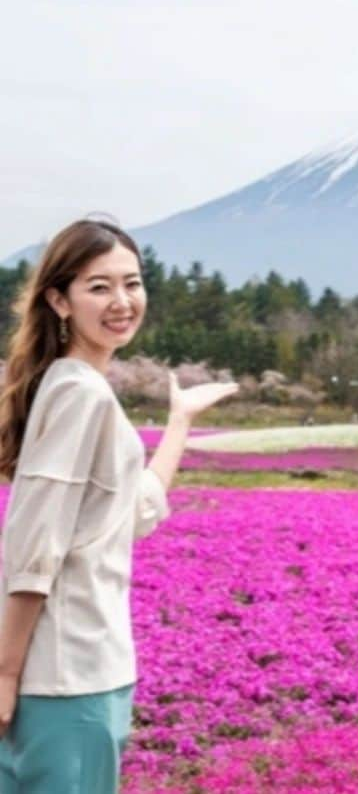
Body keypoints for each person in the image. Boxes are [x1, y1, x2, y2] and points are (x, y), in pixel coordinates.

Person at [0, 218, 238, 794]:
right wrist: (6, 673)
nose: (122, 301)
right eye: (99, 286)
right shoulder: (80, 392)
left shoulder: (78, 387)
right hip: (64, 676)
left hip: (89, 668)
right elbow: (36, 545)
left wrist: (179, 420)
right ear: (59, 299)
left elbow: (132, 513)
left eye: (132, 283)